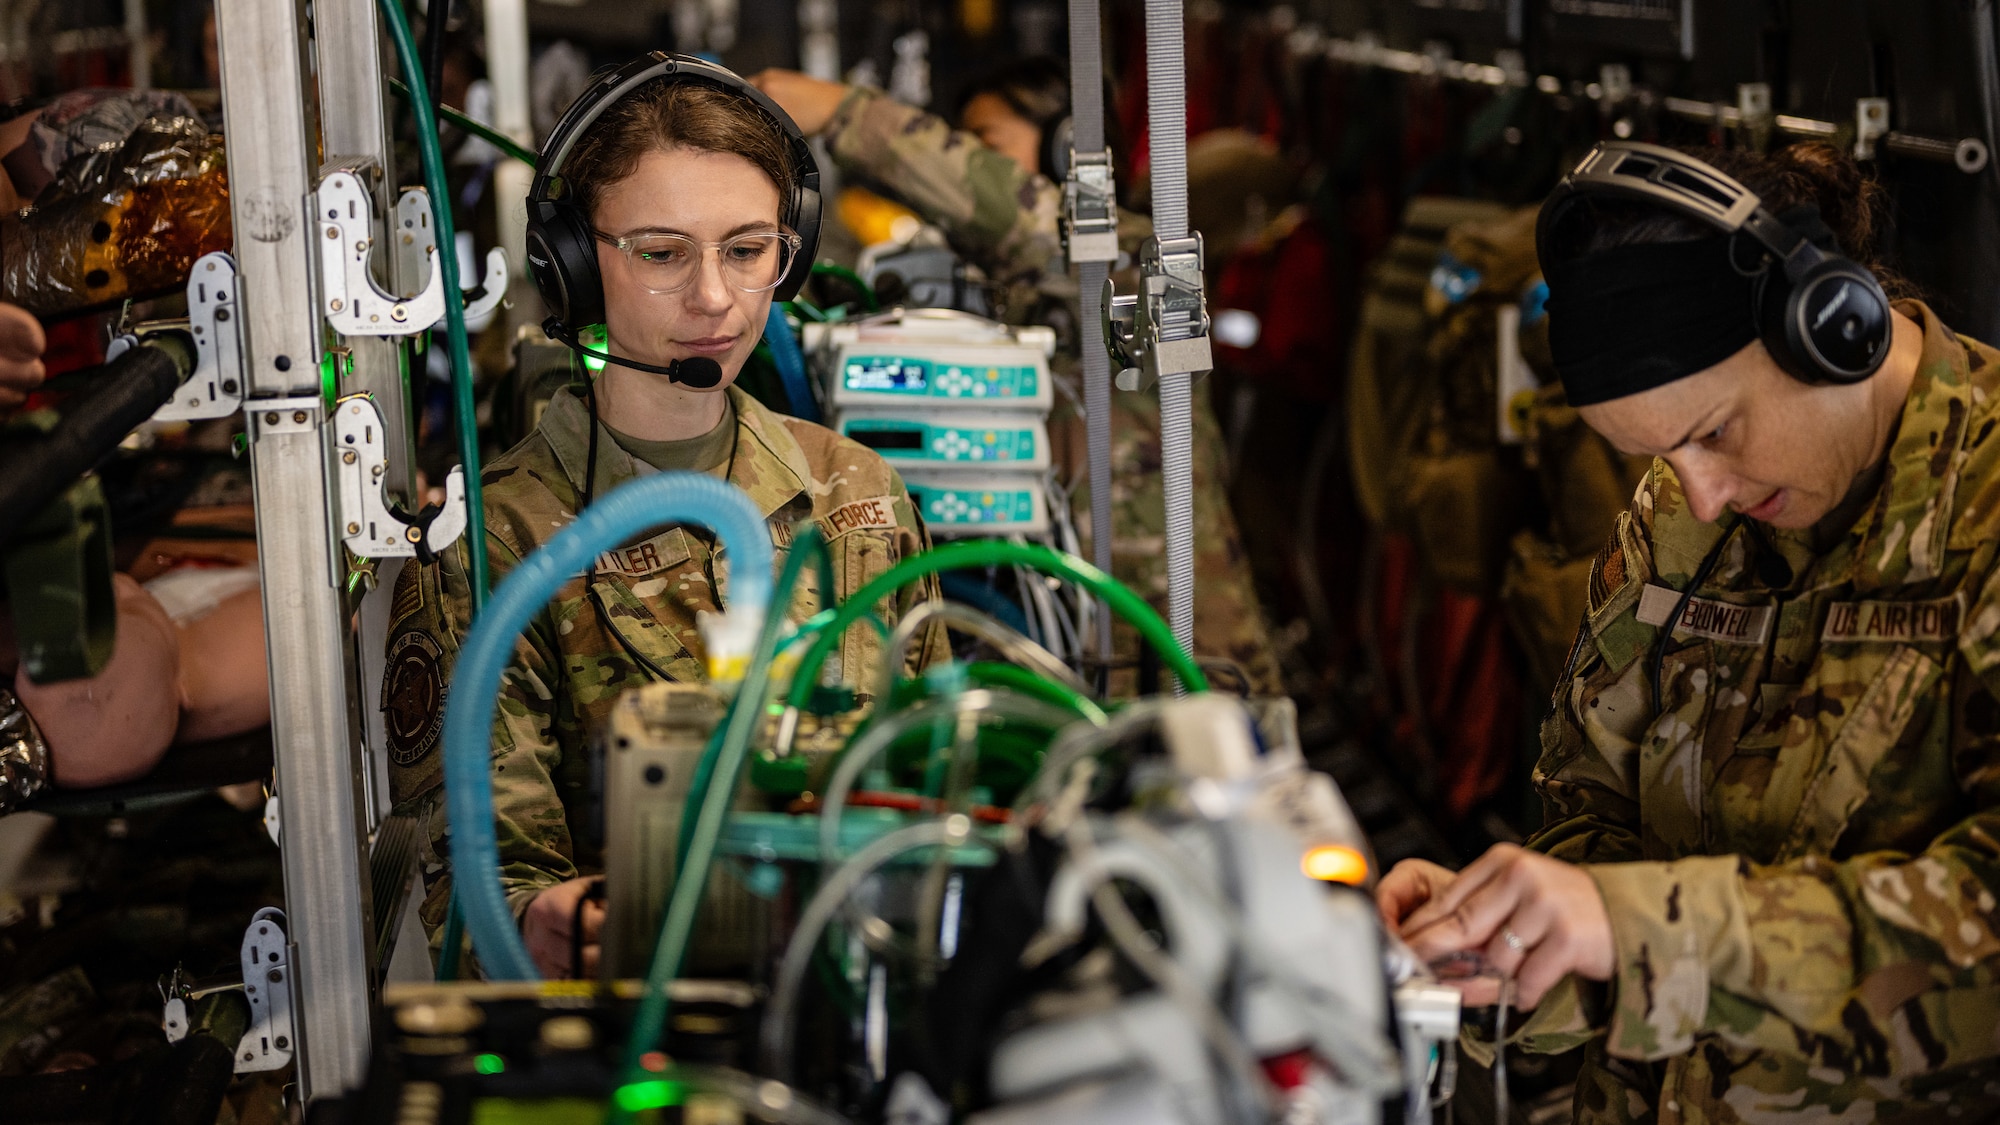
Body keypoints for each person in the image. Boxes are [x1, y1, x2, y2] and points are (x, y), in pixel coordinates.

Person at [1377, 139, 2000, 1120]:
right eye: (1658, 456)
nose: (1699, 499)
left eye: (1710, 432)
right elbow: (1593, 820)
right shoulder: (1670, 514)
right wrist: (1504, 936)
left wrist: (1639, 931)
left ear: (1835, 328)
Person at [384, 57, 947, 978]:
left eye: (746, 248)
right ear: (570, 264)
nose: (714, 299)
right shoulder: (495, 547)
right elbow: (482, 890)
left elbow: (931, 784)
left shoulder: (859, 495)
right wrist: (551, 922)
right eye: (659, 252)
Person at [751, 60, 1285, 697]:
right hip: (1058, 650)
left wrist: (847, 112)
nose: (969, 158)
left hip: (1182, 655)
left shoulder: (1135, 266)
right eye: (961, 143)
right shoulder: (996, 294)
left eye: (985, 143)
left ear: (1069, 150)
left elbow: (1025, 224)